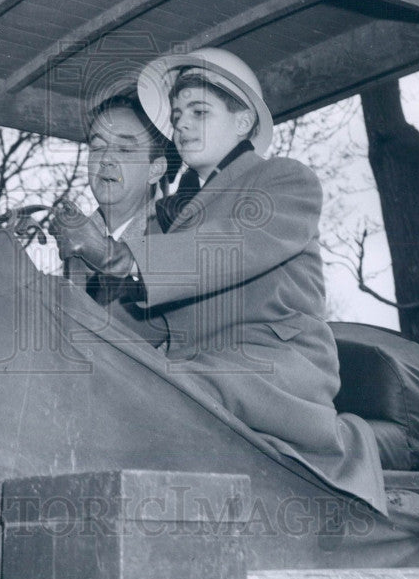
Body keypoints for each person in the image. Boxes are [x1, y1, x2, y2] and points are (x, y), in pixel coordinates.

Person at [50, 47, 383, 500]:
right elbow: (140, 323)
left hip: (277, 369)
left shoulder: (284, 180)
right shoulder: (183, 216)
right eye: (178, 112)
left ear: (243, 121)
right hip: (207, 369)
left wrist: (116, 256)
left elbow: (228, 247)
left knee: (158, 394)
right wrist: (55, 309)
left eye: (199, 111)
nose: (181, 123)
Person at [52, 93, 172, 345]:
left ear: (156, 170)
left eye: (124, 149)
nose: (105, 159)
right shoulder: (72, 241)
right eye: (97, 147)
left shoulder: (174, 239)